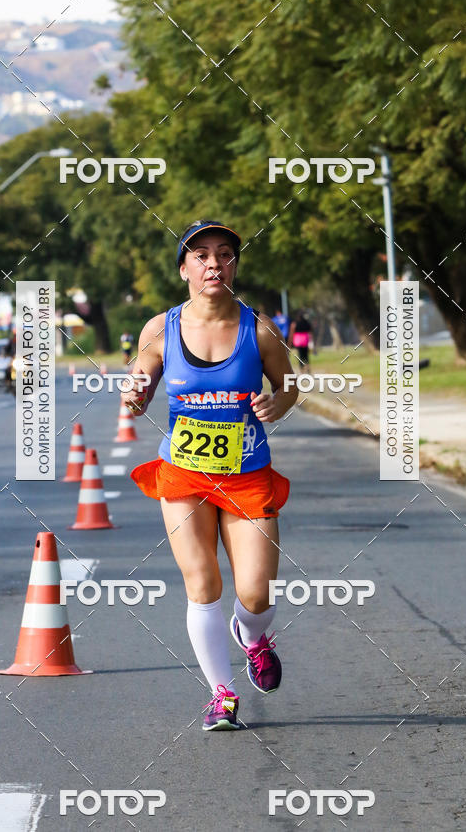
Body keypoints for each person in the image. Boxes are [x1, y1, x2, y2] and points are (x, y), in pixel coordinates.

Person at [123, 219, 298, 731]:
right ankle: (222, 695)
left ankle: (252, 637)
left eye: (224, 254)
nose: (214, 263)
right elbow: (139, 388)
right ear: (184, 269)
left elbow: (290, 385)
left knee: (256, 592)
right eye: (200, 255)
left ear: (234, 265)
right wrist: (133, 396)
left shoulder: (259, 329)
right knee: (201, 581)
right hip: (185, 474)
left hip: (247, 474)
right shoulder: (160, 329)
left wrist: (278, 403)